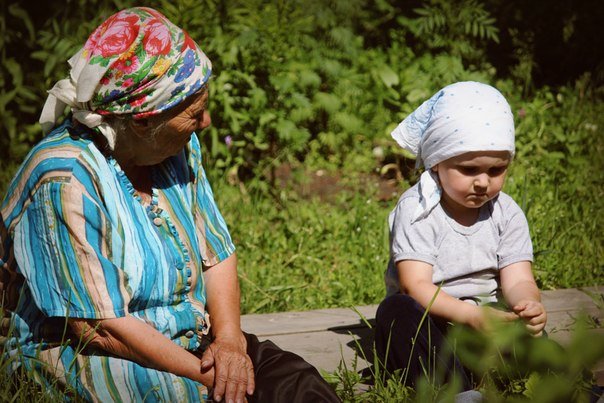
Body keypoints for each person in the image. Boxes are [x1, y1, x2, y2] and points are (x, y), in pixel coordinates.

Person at [0, 7, 340, 403]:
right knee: (184, 394)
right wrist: (209, 377)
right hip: (83, 351)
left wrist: (229, 342)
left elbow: (217, 252)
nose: (207, 122)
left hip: (189, 337)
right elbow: (97, 327)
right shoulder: (63, 178)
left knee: (292, 380)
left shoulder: (176, 146)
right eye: (194, 113)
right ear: (142, 121)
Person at [375, 81, 547, 390]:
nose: (483, 182)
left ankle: (569, 386)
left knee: (539, 345)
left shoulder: (506, 212)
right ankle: (455, 391)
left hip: (486, 322)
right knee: (396, 312)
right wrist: (469, 315)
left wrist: (526, 304)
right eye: (469, 170)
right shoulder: (418, 209)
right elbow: (415, 286)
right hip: (432, 324)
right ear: (437, 162)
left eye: (496, 171)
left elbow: (518, 278)